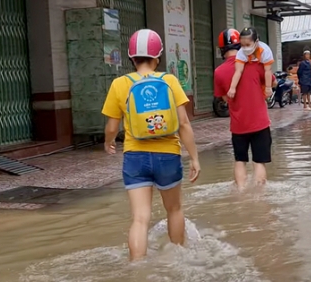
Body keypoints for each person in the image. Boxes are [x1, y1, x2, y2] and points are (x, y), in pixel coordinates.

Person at [101, 29, 201, 261]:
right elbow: (184, 124)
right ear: (158, 57)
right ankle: (178, 258)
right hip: (168, 155)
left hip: (135, 157)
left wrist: (108, 143)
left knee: (139, 218)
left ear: (131, 57)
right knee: (174, 210)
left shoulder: (119, 84)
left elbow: (111, 127)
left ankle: (137, 267)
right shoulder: (169, 81)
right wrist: (194, 157)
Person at [214, 28, 274, 190]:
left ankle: (240, 193)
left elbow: (225, 98)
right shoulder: (255, 64)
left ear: (221, 50)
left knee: (240, 160)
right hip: (260, 123)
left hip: (238, 126)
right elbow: (273, 83)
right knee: (259, 162)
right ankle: (259, 197)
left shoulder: (218, 72)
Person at [226, 27, 274, 99]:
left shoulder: (265, 51)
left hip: (262, 74)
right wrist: (232, 88)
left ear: (256, 41)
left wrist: (268, 87)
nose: (245, 48)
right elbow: (238, 71)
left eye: (248, 45)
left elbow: (268, 70)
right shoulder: (241, 53)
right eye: (242, 45)